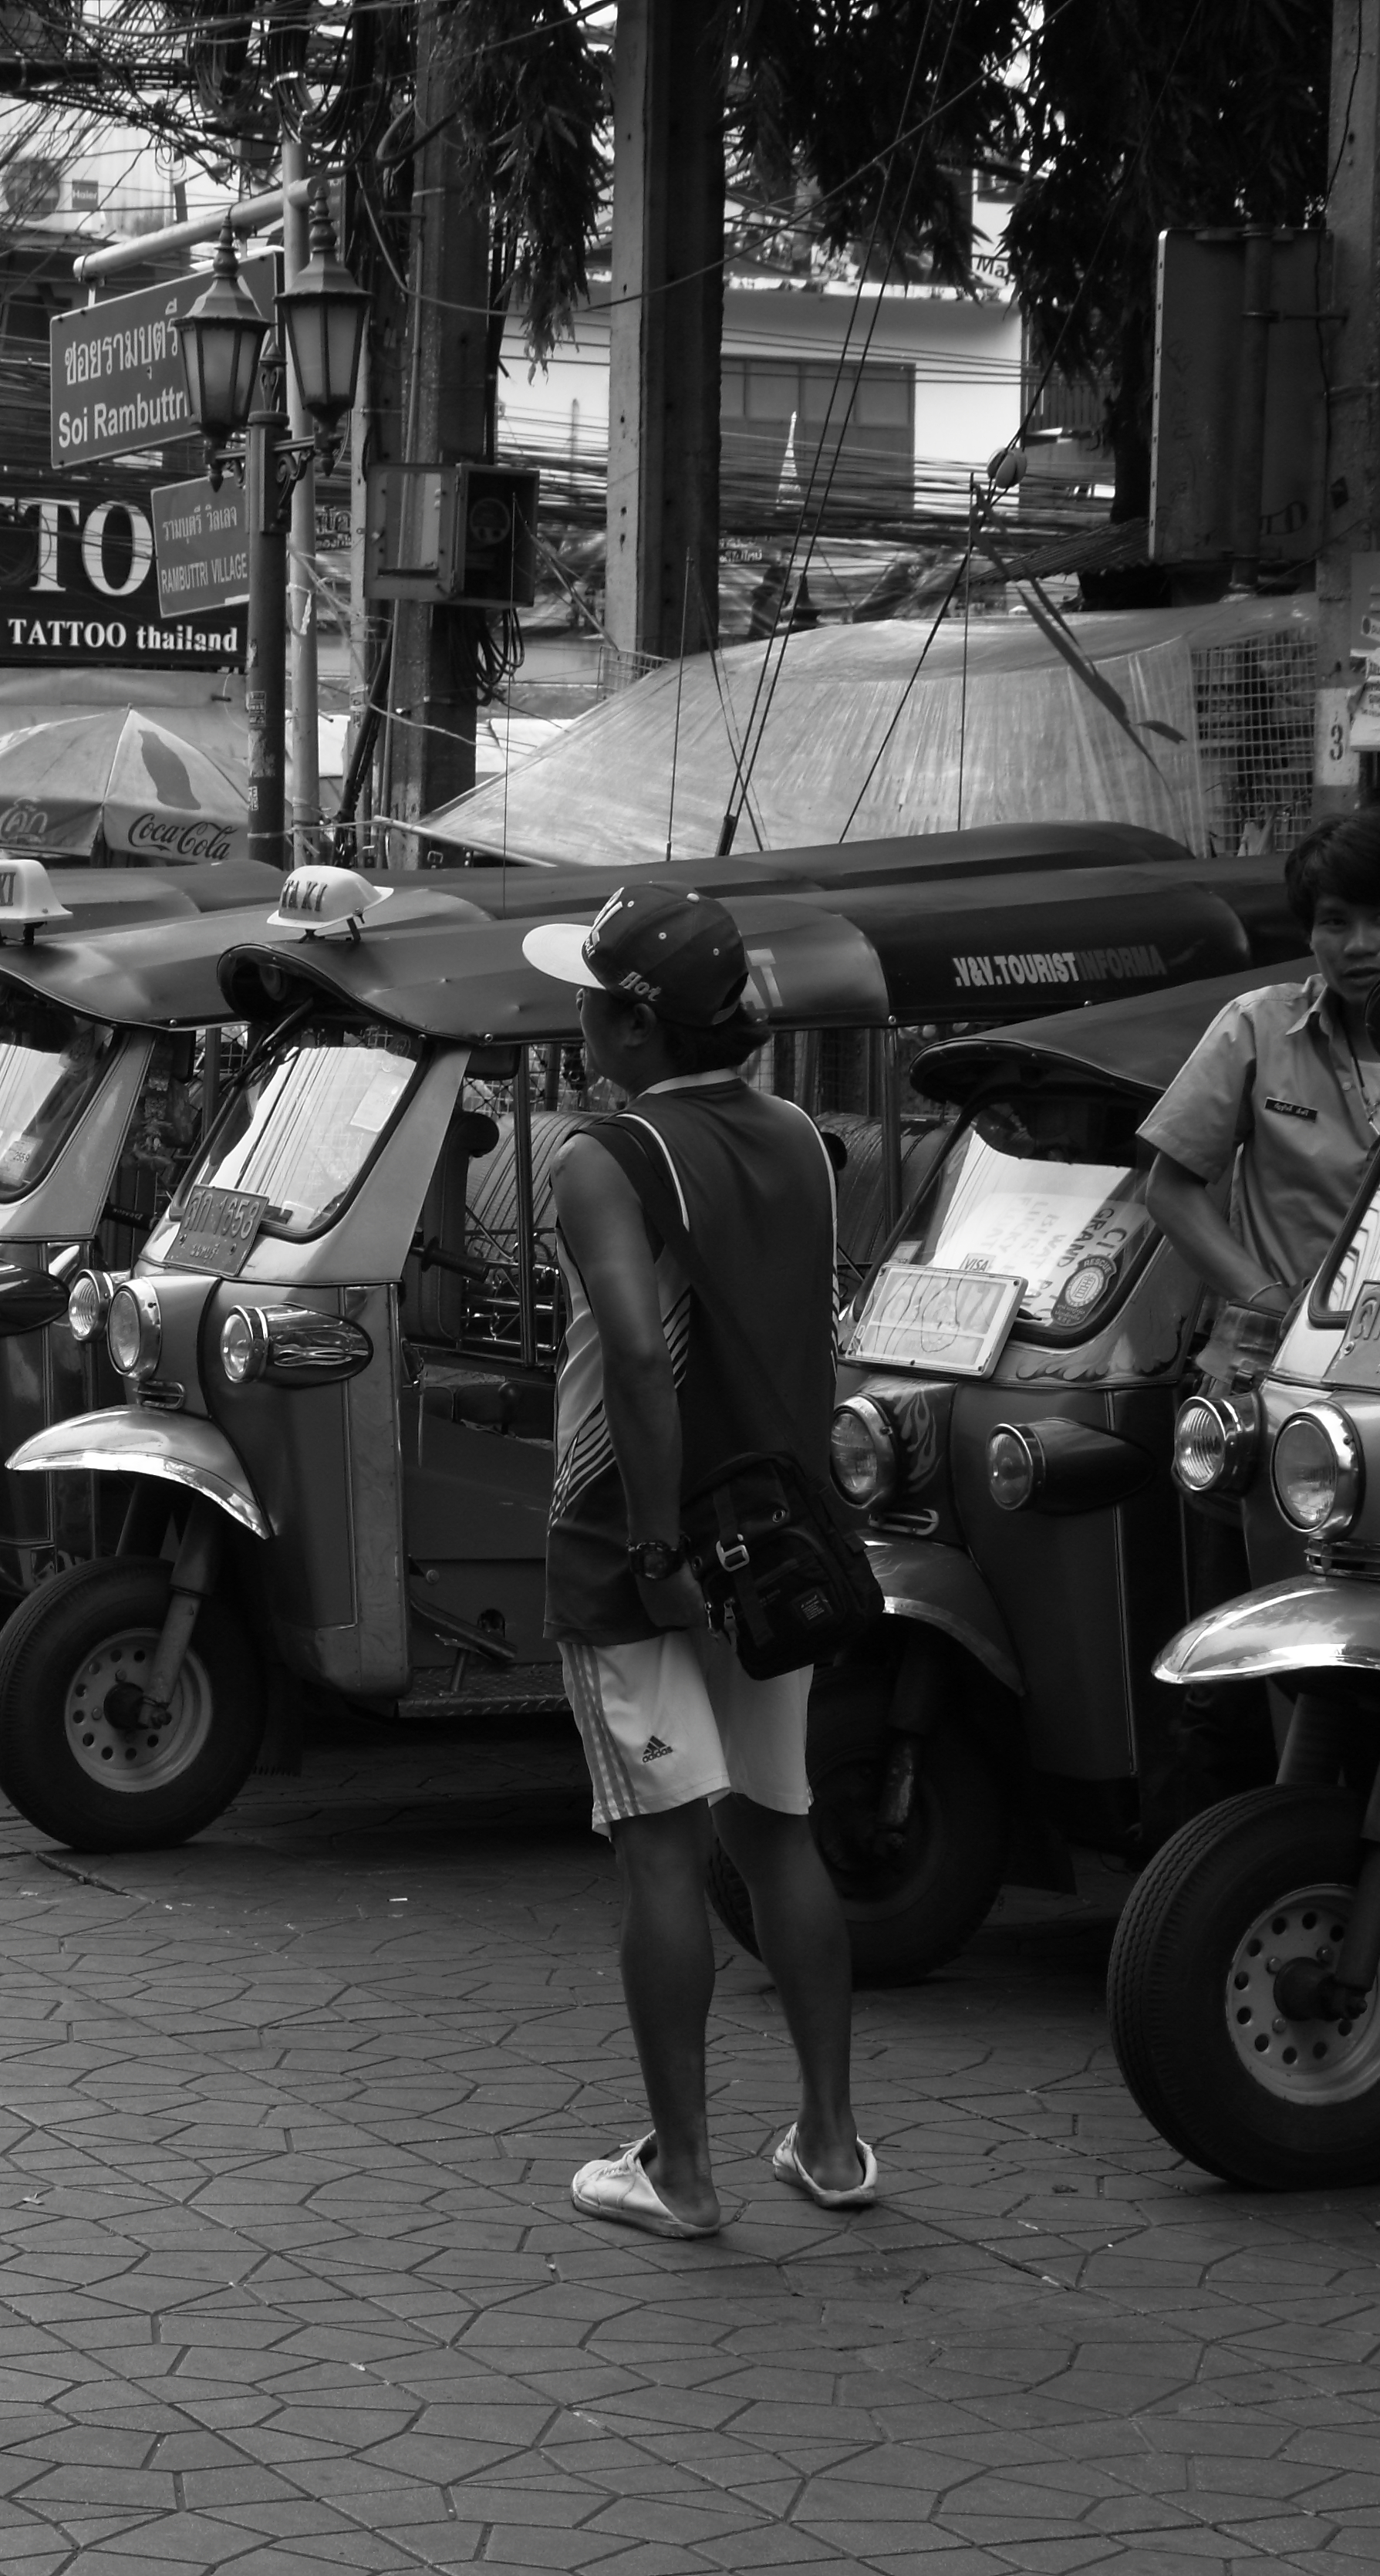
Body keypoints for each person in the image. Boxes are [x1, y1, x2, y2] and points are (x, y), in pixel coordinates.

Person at [518, 885, 871, 2240]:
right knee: (776, 1828)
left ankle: (679, 2167)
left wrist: (653, 1541)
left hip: (636, 1534)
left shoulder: (601, 1155)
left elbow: (636, 1353)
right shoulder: (796, 1137)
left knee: (661, 1854)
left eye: (593, 995)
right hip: (773, 1535)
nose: (576, 1014)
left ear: (633, 1021)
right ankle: (831, 2142)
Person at [1131, 806, 1380, 1828]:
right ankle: (1198, 1884)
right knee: (1227, 1657)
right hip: (1256, 1398)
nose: (1358, 946)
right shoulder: (1258, 1029)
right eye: (1334, 921)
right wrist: (1262, 1293)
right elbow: (1170, 1187)